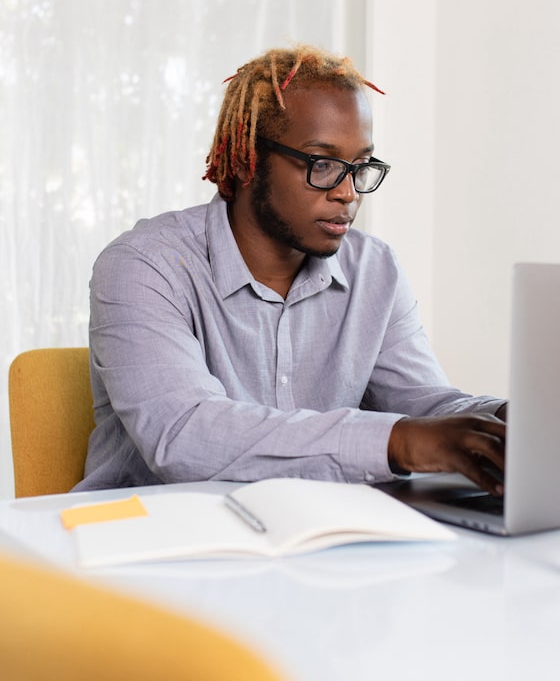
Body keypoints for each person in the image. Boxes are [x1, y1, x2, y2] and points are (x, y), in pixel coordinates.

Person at [74, 44, 507, 495]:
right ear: (247, 159)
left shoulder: (374, 270)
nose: (348, 193)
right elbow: (184, 434)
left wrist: (505, 419)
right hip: (145, 544)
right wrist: (396, 441)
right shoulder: (144, 266)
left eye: (359, 168)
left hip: (309, 542)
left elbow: (424, 405)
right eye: (322, 164)